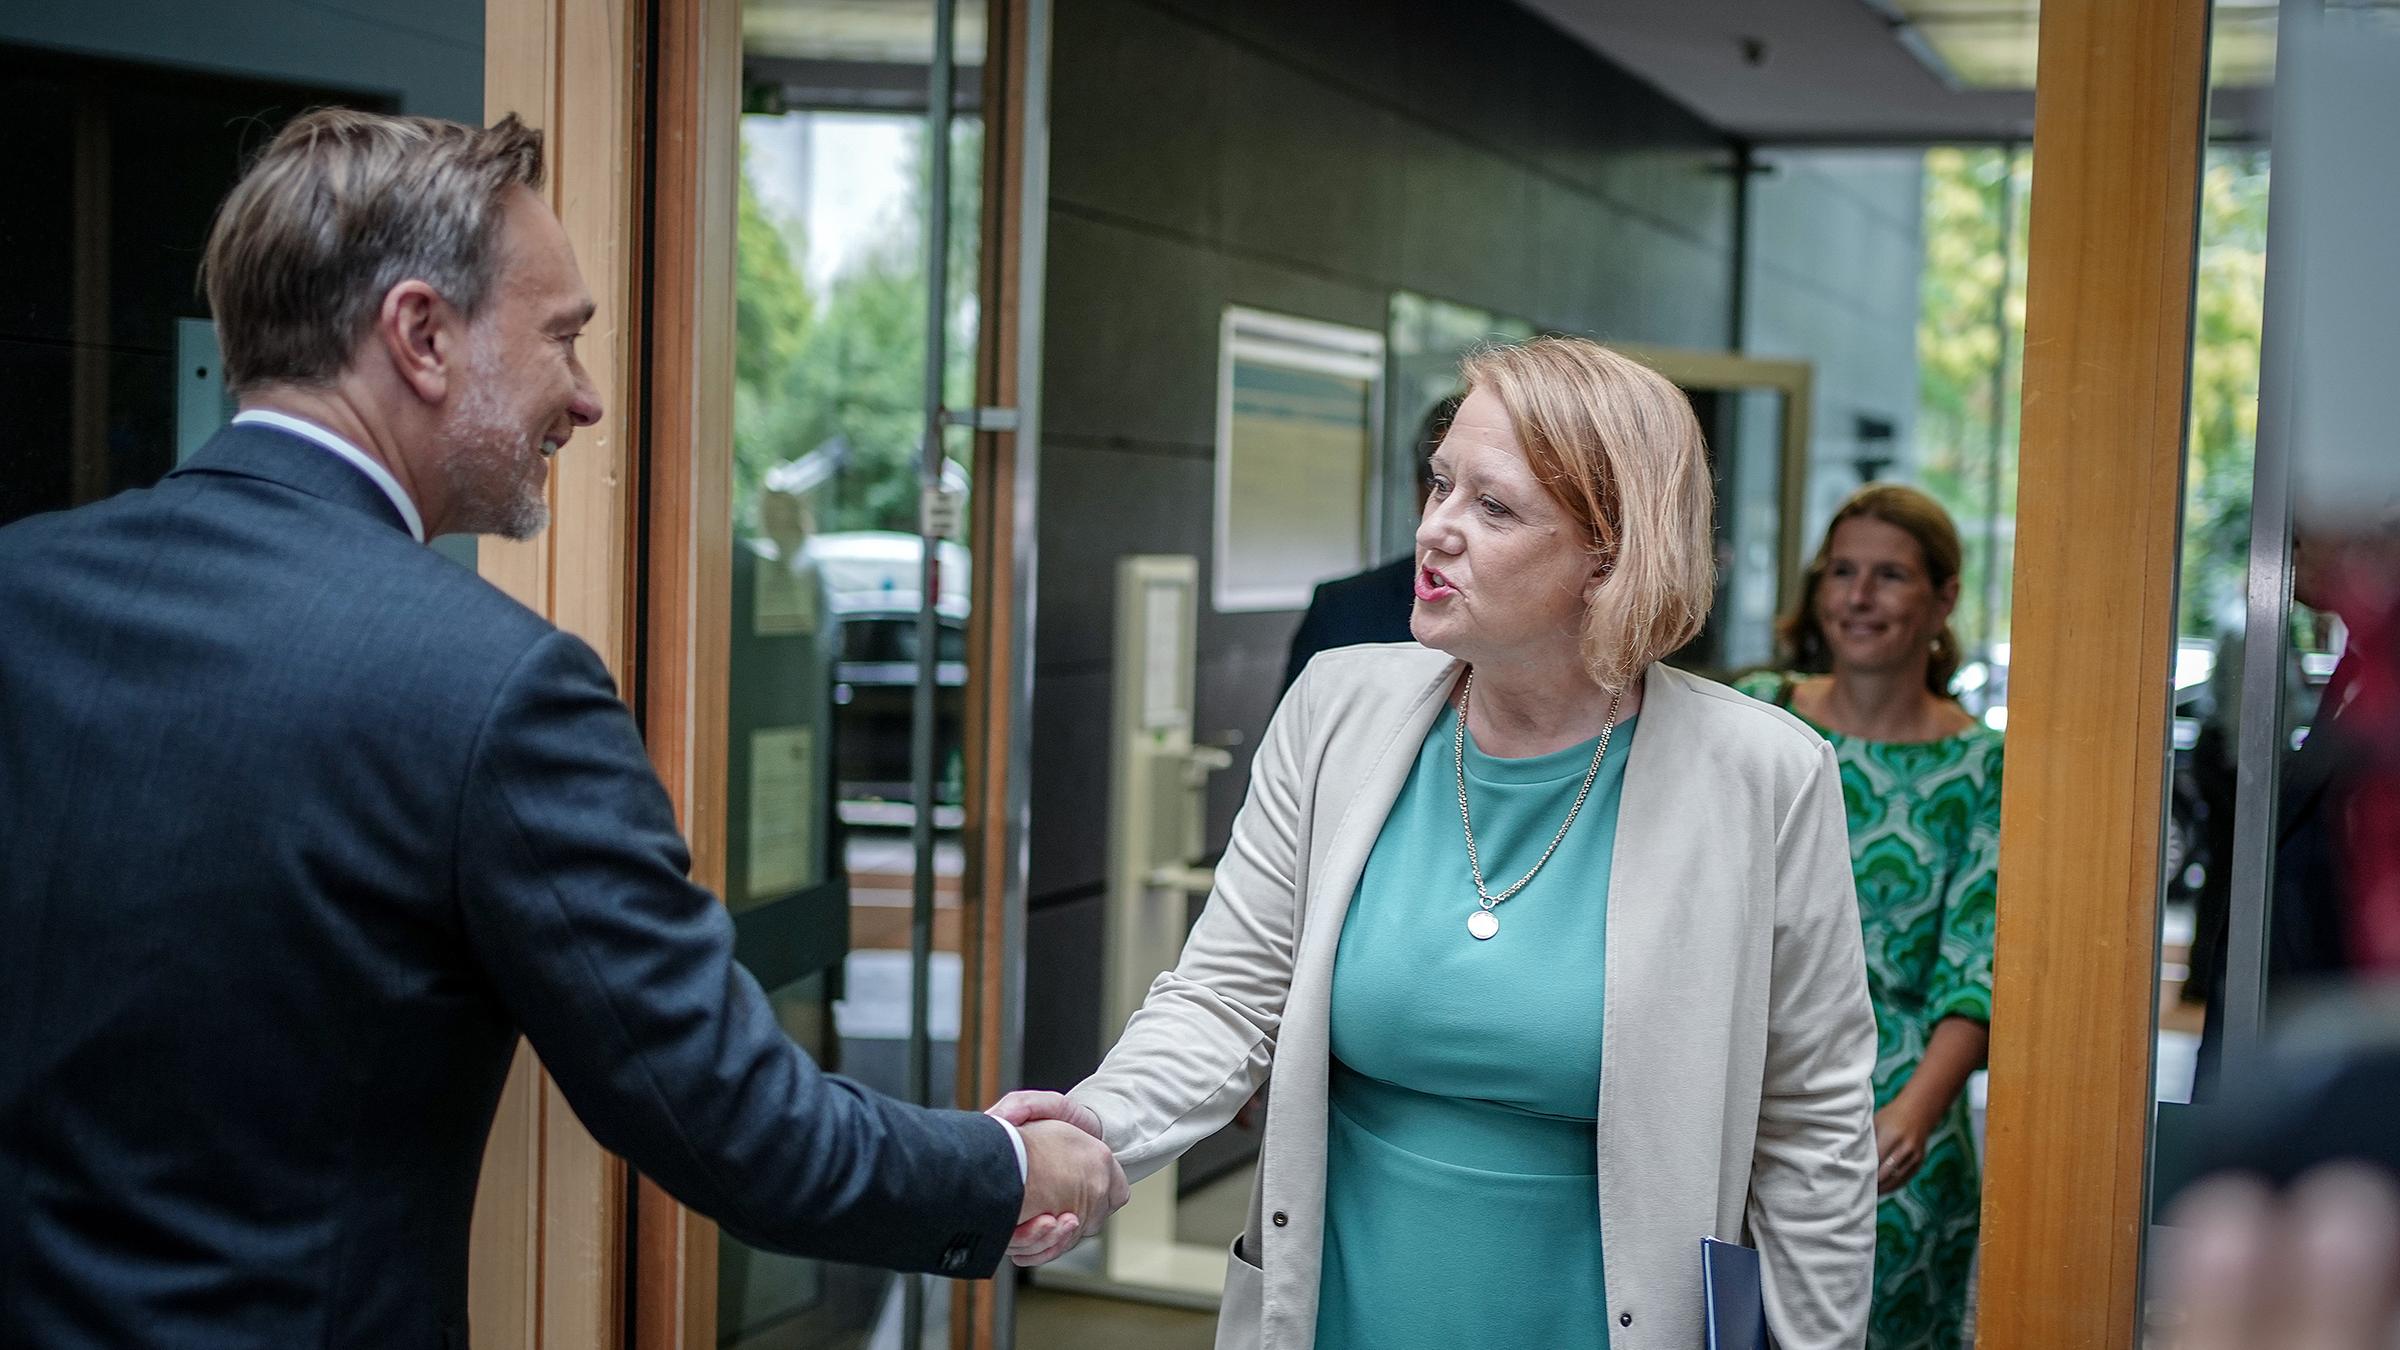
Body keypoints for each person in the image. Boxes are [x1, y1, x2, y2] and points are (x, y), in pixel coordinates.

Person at [0, 109, 1121, 1347]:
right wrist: (1006, 1167)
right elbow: (740, 1126)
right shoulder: (494, 686)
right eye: (562, 339)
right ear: (422, 335)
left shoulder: (20, 588)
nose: (585, 402)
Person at [998, 336, 1878, 1348]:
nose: (1434, 529)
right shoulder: (1335, 708)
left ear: (1610, 553)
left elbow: (1813, 1127)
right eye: (1439, 484)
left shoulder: (1765, 775)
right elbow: (1223, 997)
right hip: (1341, 1310)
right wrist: (1097, 1128)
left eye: (1492, 507)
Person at [1730, 484, 2001, 1350]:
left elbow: (1978, 964)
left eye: (1889, 576)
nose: (1858, 596)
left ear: (1943, 599)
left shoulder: (1985, 764)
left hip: (1902, 1124)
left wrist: (1912, 1118)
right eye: (1841, 572)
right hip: (1744, 1086)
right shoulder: (1759, 712)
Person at [1279, 394, 1461, 692]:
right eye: (1441, 484)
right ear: (1418, 490)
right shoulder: (1344, 608)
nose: (1448, 520)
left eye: (1491, 503)